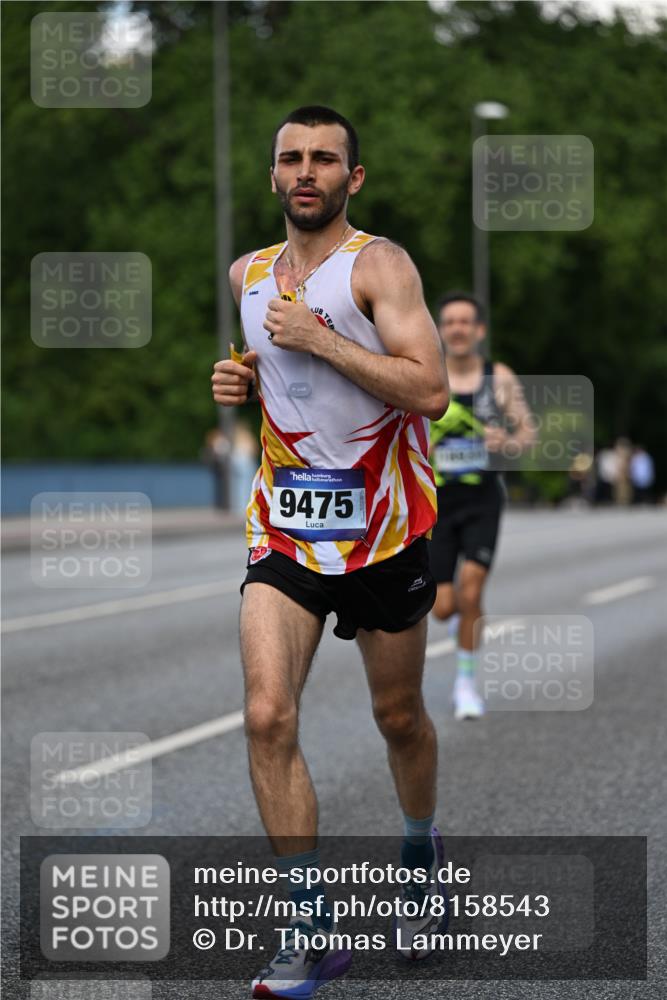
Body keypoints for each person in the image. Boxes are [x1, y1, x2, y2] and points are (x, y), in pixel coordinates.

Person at [211, 106, 450, 997]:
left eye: (323, 158)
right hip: (286, 526)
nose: (304, 171)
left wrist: (321, 338)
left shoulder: (379, 266)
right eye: (290, 158)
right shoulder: (246, 274)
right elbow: (281, 380)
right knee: (266, 715)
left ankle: (419, 857)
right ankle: (309, 927)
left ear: (353, 178)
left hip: (384, 530)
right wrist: (239, 381)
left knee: (399, 717)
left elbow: (429, 390)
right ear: (273, 175)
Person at [428, 292, 534, 720]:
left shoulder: (498, 377)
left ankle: (465, 685)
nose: (457, 328)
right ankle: (463, 619)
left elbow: (527, 433)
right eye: (450, 322)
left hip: (482, 500)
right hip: (436, 503)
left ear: (479, 330)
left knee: (471, 590)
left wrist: (507, 441)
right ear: (440, 329)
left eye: (465, 322)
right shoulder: (427, 374)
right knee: (442, 608)